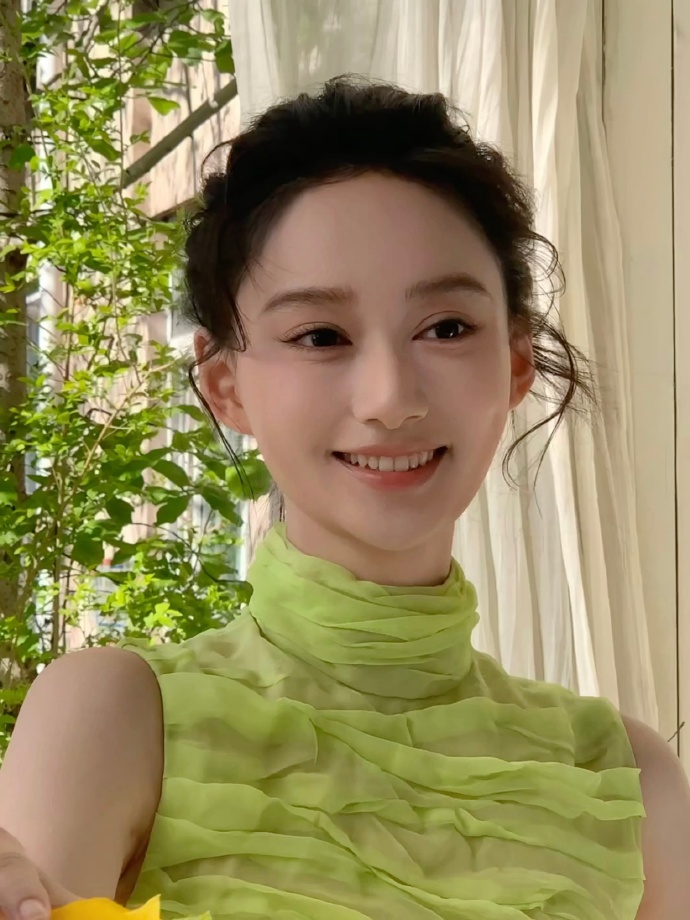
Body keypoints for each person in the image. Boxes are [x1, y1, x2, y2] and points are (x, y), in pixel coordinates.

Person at [0, 76, 688, 920]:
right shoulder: (114, 715)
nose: (390, 399)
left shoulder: (627, 778)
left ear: (515, 364)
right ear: (225, 386)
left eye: (446, 328)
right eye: (320, 336)